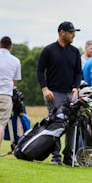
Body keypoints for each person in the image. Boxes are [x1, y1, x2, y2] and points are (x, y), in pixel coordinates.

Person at [36, 21, 82, 166]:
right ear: (62, 32)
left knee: (72, 125)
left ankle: (69, 156)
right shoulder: (49, 50)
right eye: (71, 32)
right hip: (54, 93)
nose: (73, 34)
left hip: (71, 93)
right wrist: (45, 89)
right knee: (55, 125)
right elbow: (39, 71)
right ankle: (55, 157)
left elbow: (78, 73)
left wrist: (76, 88)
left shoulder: (74, 52)